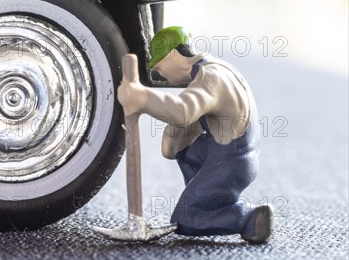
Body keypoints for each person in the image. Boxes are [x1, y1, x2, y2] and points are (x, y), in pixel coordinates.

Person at [117, 26, 273, 243]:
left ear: (173, 55)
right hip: (221, 149)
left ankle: (248, 217)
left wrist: (142, 97)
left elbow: (184, 111)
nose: (162, 75)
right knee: (187, 153)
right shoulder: (214, 68)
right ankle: (205, 197)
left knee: (186, 220)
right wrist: (171, 142)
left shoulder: (210, 77)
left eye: (160, 68)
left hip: (232, 161)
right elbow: (192, 121)